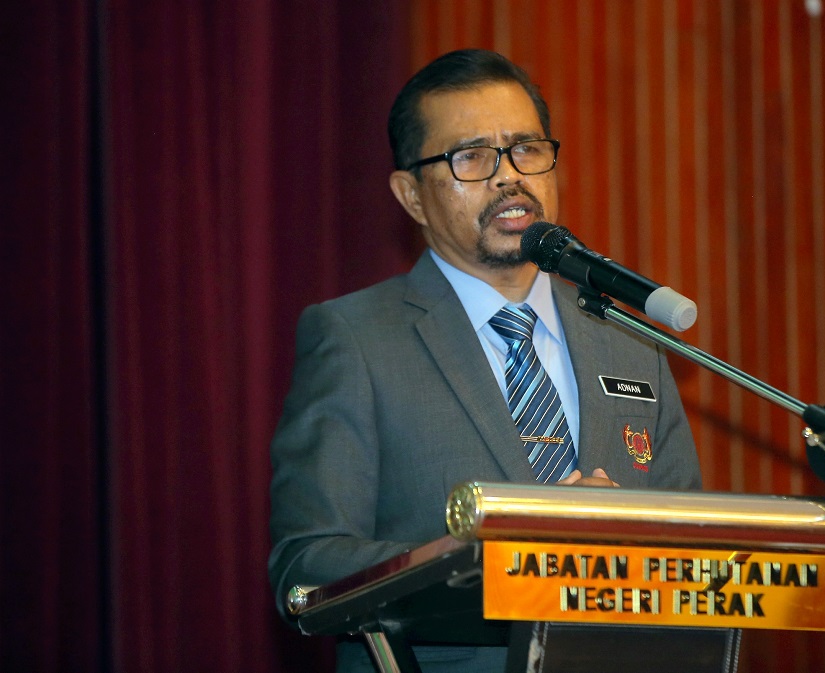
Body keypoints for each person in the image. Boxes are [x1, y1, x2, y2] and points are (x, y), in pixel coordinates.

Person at [268, 49, 701, 672]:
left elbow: (691, 549)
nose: (509, 178)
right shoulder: (356, 338)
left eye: (526, 148)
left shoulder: (627, 339)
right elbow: (304, 569)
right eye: (471, 158)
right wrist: (501, 558)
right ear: (411, 195)